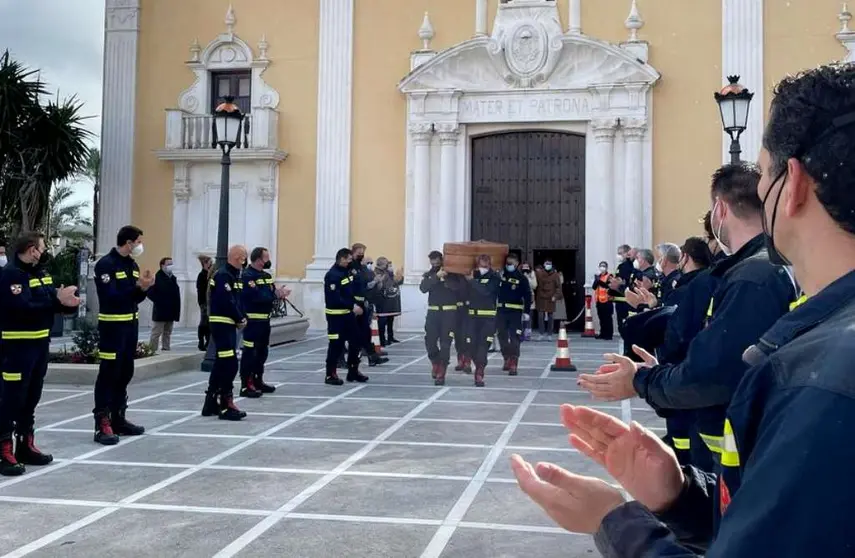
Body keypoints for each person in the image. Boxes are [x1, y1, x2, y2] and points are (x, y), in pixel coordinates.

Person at [512, 61, 855, 557]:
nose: (760, 193)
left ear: (794, 184)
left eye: (765, 175)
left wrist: (613, 521)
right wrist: (678, 497)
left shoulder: (819, 384)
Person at [579, 162, 797, 474]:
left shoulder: (753, 277)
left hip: (747, 454)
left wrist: (641, 380)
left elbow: (713, 373)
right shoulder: (769, 265)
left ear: (720, 210)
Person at [0, 233, 80, 476]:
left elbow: (46, 302)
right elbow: (21, 307)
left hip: (39, 345)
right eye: (42, 247)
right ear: (32, 249)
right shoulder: (12, 275)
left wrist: (64, 302)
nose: (45, 252)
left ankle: (25, 444)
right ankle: (4, 449)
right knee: (11, 400)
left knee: (31, 397)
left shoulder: (41, 274)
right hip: (16, 348)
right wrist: (56, 302)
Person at [92, 225, 154, 445]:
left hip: (130, 326)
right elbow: (111, 296)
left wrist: (143, 289)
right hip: (112, 328)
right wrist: (136, 288)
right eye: (138, 241)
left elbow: (133, 299)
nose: (139, 246)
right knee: (109, 373)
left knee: (125, 372)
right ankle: (102, 422)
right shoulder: (106, 265)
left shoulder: (132, 265)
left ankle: (119, 417)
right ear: (128, 243)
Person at [201, 245, 248, 421]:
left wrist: (242, 316)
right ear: (236, 257)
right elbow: (227, 301)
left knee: (222, 363)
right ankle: (225, 403)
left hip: (228, 324)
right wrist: (239, 318)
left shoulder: (234, 276)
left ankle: (211, 401)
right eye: (244, 257)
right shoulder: (223, 275)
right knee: (229, 363)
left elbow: (238, 300)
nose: (245, 261)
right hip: (222, 323)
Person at [239, 247, 289, 398]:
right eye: (266, 257)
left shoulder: (267, 276)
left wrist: (278, 294)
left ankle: (258, 380)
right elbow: (257, 296)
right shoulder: (247, 276)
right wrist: (275, 295)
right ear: (258, 259)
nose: (268, 260)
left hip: (265, 321)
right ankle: (246, 385)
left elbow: (270, 292)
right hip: (252, 321)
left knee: (262, 353)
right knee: (250, 353)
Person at [324, 248, 367, 385]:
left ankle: (353, 371)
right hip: (336, 317)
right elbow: (334, 298)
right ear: (342, 259)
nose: (350, 261)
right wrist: (352, 306)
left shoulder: (346, 272)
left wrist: (355, 304)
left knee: (356, 342)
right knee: (336, 345)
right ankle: (330, 375)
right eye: (348, 259)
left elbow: (349, 292)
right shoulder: (332, 275)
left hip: (348, 316)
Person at [420, 251, 460, 385]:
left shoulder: (453, 275)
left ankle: (442, 371)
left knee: (445, 344)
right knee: (430, 342)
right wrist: (436, 277)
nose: (435, 263)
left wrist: (447, 278)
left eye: (437, 261)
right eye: (432, 261)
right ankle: (435, 362)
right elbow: (423, 288)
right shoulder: (429, 275)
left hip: (449, 314)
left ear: (442, 260)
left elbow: (460, 289)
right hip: (433, 313)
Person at [349, 243, 388, 366]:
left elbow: (365, 286)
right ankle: (344, 360)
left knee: (365, 331)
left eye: (362, 252)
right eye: (359, 252)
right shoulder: (350, 268)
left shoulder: (361, 268)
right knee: (350, 333)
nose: (361, 254)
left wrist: (375, 282)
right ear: (353, 252)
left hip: (363, 302)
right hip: (353, 304)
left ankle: (372, 357)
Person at [468, 254, 501, 387]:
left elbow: (486, 291)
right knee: (471, 346)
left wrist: (471, 281)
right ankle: (478, 365)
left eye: (487, 260)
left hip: (488, 318)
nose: (484, 262)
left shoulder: (494, 277)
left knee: (483, 346)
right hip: (471, 317)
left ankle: (479, 372)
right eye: (482, 260)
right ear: (478, 262)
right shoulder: (472, 274)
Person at [497, 253, 531, 375]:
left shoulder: (522, 278)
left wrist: (527, 312)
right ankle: (506, 357)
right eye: (507, 263)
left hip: (515, 313)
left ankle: (513, 362)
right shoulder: (500, 276)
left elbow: (528, 295)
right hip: (501, 311)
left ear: (517, 264)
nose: (508, 266)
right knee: (502, 336)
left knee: (514, 338)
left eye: (511, 264)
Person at [147, 256, 180, 351]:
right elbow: (150, 292)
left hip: (171, 311)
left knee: (167, 332)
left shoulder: (173, 278)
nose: (171, 266)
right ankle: (152, 350)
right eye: (168, 264)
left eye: (171, 264)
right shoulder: (157, 277)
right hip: (161, 310)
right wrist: (160, 301)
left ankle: (166, 349)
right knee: (156, 333)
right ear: (162, 266)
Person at [372, 257, 403, 346]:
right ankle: (382, 339)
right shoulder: (377, 273)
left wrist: (399, 276)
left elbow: (395, 282)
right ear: (381, 263)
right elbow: (383, 285)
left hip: (390, 301)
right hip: (382, 301)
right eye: (387, 264)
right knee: (382, 322)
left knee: (390, 319)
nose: (388, 266)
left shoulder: (387, 272)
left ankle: (390, 337)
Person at [534, 259, 562, 340]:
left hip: (551, 297)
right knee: (540, 316)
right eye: (546, 263)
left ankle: (550, 334)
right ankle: (541, 333)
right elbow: (534, 284)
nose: (548, 265)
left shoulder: (555, 275)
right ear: (544, 264)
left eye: (549, 264)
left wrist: (555, 296)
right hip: (541, 297)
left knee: (550, 316)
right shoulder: (539, 273)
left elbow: (558, 287)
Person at [591, 261, 614, 340]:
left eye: (604, 266)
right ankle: (602, 333)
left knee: (607, 318)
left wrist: (599, 281)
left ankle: (609, 335)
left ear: (606, 268)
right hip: (599, 301)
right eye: (601, 266)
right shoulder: (599, 276)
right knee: (601, 318)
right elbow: (594, 287)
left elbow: (608, 286)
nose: (602, 267)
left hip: (607, 301)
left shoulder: (609, 276)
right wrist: (596, 280)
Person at [196, 255, 213, 351]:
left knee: (208, 323)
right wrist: (203, 303)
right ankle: (201, 341)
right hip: (204, 302)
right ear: (205, 264)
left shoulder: (209, 275)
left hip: (209, 302)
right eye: (209, 263)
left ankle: (208, 341)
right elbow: (201, 291)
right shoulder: (202, 275)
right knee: (204, 323)